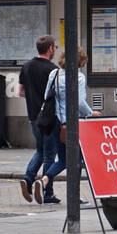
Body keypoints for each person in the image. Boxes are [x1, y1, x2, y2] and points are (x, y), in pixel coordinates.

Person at [38, 48, 92, 204]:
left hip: (55, 122)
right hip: (71, 124)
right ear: (81, 61)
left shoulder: (53, 74)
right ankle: (73, 195)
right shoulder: (79, 78)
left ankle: (44, 180)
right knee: (75, 159)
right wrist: (90, 113)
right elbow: (80, 102)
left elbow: (47, 95)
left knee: (63, 159)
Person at [19, 35, 59, 203]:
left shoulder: (26, 67)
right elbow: (58, 94)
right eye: (55, 47)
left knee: (40, 150)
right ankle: (46, 191)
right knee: (50, 154)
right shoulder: (53, 69)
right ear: (50, 49)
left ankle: (28, 179)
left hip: (33, 116)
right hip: (49, 118)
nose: (55, 50)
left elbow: (20, 92)